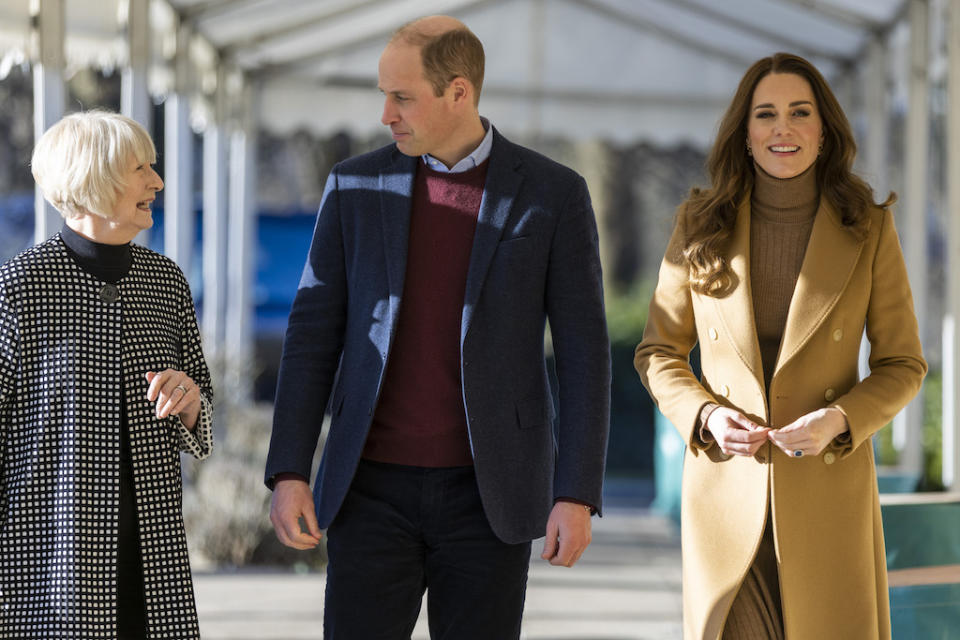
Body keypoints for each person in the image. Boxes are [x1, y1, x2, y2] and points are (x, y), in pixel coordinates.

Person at [264, 14, 610, 640]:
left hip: (491, 496)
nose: (386, 114)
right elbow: (311, 332)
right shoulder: (355, 185)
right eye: (383, 95)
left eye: (402, 97)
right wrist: (288, 469)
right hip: (367, 490)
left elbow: (586, 353)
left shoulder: (555, 194)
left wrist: (577, 492)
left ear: (459, 92)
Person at [635, 53, 926, 639]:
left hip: (826, 492)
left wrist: (841, 419)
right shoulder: (698, 224)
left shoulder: (869, 229)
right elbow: (658, 353)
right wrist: (708, 415)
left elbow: (903, 363)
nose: (782, 128)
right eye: (765, 114)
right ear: (745, 134)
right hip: (726, 492)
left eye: (799, 112)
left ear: (825, 132)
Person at [0, 110, 214, 638]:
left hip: (152, 554)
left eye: (153, 167)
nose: (157, 182)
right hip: (51, 563)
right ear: (93, 178)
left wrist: (190, 403)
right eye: (140, 168)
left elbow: (203, 412)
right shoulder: (20, 287)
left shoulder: (165, 282)